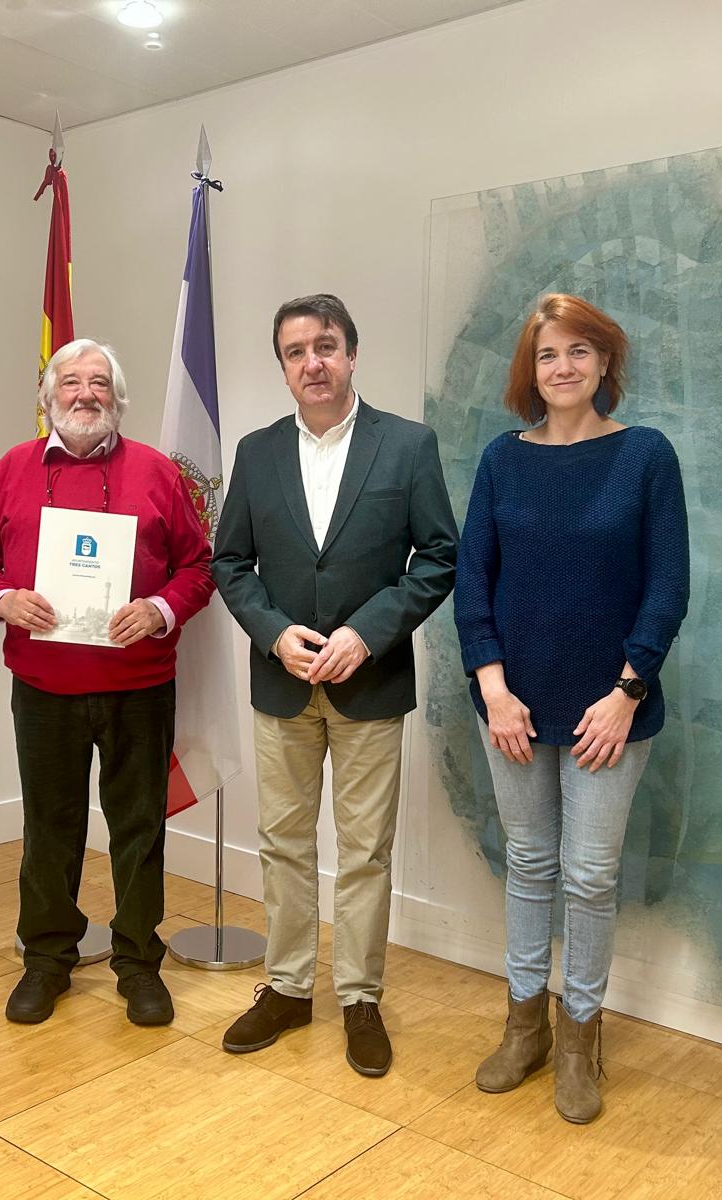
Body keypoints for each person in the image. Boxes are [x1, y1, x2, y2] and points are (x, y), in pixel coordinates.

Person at [454, 292, 689, 1123]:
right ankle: (525, 1028)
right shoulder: (501, 460)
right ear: (532, 370)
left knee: (588, 876)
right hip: (511, 707)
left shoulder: (645, 456)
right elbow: (472, 582)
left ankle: (580, 1038)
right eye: (548, 354)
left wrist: (628, 694)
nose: (563, 367)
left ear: (605, 362)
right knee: (529, 863)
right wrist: (493, 690)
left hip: (610, 711)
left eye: (579, 351)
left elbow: (667, 588)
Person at [212, 294, 457, 1077]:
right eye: (295, 351)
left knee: (364, 852)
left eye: (325, 346)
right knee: (283, 844)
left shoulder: (408, 445)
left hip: (369, 682)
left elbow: (439, 557)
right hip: (282, 682)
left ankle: (359, 997)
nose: (312, 363)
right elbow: (230, 562)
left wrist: (367, 632)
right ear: (283, 367)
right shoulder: (256, 453)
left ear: (352, 354)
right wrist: (273, 632)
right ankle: (287, 988)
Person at [0, 338, 214, 1026]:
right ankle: (46, 961)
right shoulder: (11, 469)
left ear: (117, 399)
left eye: (99, 383)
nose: (85, 394)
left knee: (138, 829)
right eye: (70, 382)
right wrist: (3, 599)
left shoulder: (157, 472)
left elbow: (198, 567)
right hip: (44, 688)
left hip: (139, 685)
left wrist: (158, 610)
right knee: (50, 829)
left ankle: (138, 963)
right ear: (48, 398)